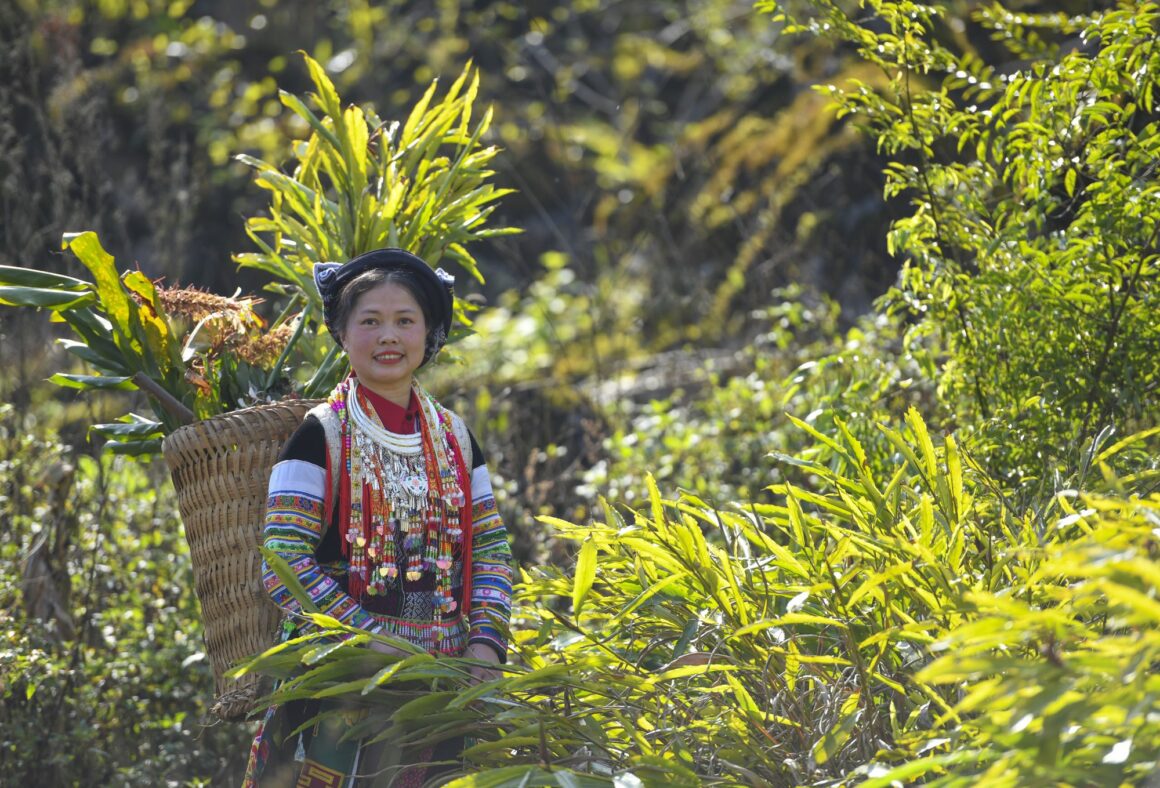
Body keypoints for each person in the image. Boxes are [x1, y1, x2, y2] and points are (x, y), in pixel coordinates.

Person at [242, 248, 513, 787]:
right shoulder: (320, 435)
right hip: (338, 685)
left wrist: (485, 643)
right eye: (370, 321)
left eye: (404, 321)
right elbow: (283, 562)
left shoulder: (456, 439)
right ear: (342, 334)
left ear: (428, 334)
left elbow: (492, 552)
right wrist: (370, 639)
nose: (388, 336)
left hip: (442, 683)